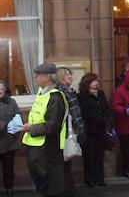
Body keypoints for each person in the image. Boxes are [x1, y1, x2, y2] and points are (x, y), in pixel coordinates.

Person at [20, 63, 68, 197]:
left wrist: (31, 128)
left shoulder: (55, 97)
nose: (34, 77)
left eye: (37, 75)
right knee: (40, 181)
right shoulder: (42, 94)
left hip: (47, 147)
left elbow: (52, 126)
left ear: (47, 77)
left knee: (50, 183)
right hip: (35, 144)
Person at [77, 73, 110, 187]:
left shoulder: (101, 94)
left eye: (96, 81)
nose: (96, 83)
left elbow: (106, 107)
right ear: (87, 83)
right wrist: (100, 119)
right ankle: (90, 179)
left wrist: (105, 118)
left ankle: (100, 178)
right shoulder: (82, 96)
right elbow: (86, 113)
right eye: (93, 81)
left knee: (100, 155)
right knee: (89, 156)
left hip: (100, 130)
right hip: (89, 130)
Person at [57, 67, 83, 195]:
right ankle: (67, 190)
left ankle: (69, 188)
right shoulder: (61, 91)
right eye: (67, 74)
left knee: (67, 162)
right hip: (65, 132)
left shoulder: (68, 90)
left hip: (71, 130)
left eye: (70, 74)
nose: (70, 76)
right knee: (64, 162)